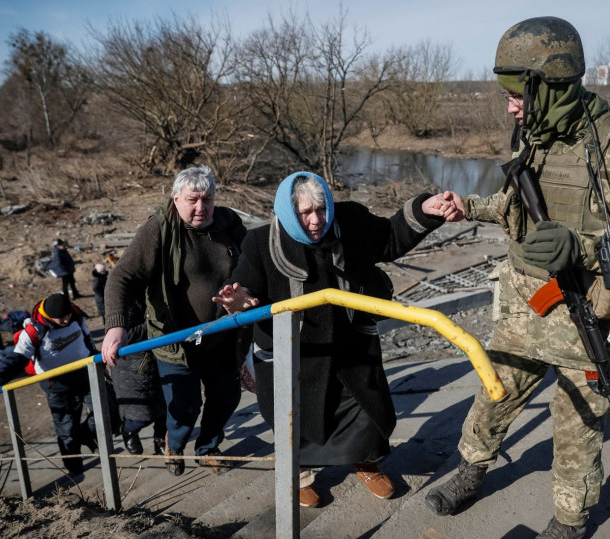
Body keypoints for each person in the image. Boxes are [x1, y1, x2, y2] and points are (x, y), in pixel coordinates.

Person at [422, 17, 610, 539]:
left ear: (553, 84)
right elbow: (518, 207)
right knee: (495, 392)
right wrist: (467, 206)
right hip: (525, 304)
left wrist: (581, 247)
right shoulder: (535, 135)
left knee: (578, 423)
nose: (511, 105)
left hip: (585, 314)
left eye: (518, 94)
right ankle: (472, 468)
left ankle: (568, 520)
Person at [214, 171, 453, 508]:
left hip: (351, 345)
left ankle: (365, 462)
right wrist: (239, 301)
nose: (316, 220)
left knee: (365, 410)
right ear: (287, 212)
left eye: (321, 209)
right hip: (295, 356)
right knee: (297, 419)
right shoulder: (259, 242)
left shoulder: (350, 219)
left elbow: (389, 238)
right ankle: (299, 476)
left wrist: (426, 209)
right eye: (305, 213)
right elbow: (244, 287)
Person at [101, 164, 248, 476]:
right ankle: (174, 444)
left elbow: (250, 264)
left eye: (207, 199)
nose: (201, 207)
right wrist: (116, 325)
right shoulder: (159, 229)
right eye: (192, 200)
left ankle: (208, 447)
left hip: (221, 336)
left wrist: (245, 293)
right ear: (176, 199)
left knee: (227, 395)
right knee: (185, 407)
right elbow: (122, 276)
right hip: (175, 342)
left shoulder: (229, 222)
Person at [0, 293, 102, 477]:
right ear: (48, 316)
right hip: (57, 384)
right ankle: (74, 468)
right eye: (59, 318)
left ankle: (85, 435)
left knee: (106, 409)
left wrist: (95, 356)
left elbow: (86, 337)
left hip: (86, 373)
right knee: (66, 429)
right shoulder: (33, 331)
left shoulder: (75, 315)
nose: (64, 320)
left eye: (66, 316)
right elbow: (17, 358)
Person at [110, 300, 167, 456]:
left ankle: (161, 438)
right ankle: (128, 430)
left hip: (157, 357)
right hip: (132, 366)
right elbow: (126, 334)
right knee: (141, 415)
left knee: (164, 408)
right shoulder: (124, 301)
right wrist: (160, 323)